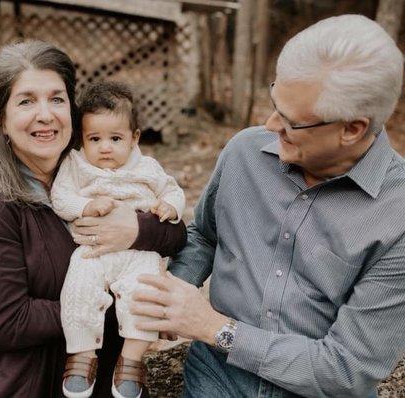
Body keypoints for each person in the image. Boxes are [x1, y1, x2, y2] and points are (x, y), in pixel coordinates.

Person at [130, 14, 405, 398]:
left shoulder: (398, 215)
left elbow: (347, 369)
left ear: (352, 129)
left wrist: (212, 327)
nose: (269, 124)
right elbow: (205, 236)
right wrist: (171, 291)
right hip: (216, 379)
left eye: (291, 122)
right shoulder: (244, 152)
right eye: (275, 101)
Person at [0, 41, 186, 398]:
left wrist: (136, 229)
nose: (45, 114)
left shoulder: (92, 167)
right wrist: (118, 305)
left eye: (57, 99)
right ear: (2, 122)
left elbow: (177, 233)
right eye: (26, 101)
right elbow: (7, 323)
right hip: (15, 381)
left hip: (92, 372)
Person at [50, 81, 185, 398]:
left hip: (138, 255)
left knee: (144, 293)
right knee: (78, 289)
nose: (105, 148)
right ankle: (82, 356)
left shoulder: (148, 168)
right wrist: (85, 206)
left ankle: (132, 359)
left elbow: (173, 191)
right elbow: (61, 196)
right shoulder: (77, 165)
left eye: (115, 138)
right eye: (94, 139)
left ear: (135, 138)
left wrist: (169, 207)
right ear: (82, 139)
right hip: (92, 250)